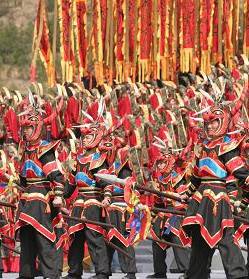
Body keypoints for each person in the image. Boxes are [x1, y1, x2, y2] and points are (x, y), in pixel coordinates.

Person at [182, 105, 249, 279]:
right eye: (208, 123)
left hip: (219, 200)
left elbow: (241, 173)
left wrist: (245, 195)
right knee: (199, 243)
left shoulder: (226, 147)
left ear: (223, 122)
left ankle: (238, 275)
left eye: (214, 122)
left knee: (226, 240)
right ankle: (196, 275)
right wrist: (186, 194)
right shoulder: (202, 146)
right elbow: (196, 177)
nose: (210, 126)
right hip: (200, 200)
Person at [15, 101, 66, 279]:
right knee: (27, 240)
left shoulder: (45, 149)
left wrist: (58, 196)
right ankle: (26, 274)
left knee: (44, 239)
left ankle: (50, 275)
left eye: (29, 127)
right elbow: (22, 179)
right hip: (26, 201)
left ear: (37, 127)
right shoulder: (26, 149)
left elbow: (58, 177)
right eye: (25, 128)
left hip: (41, 201)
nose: (26, 131)